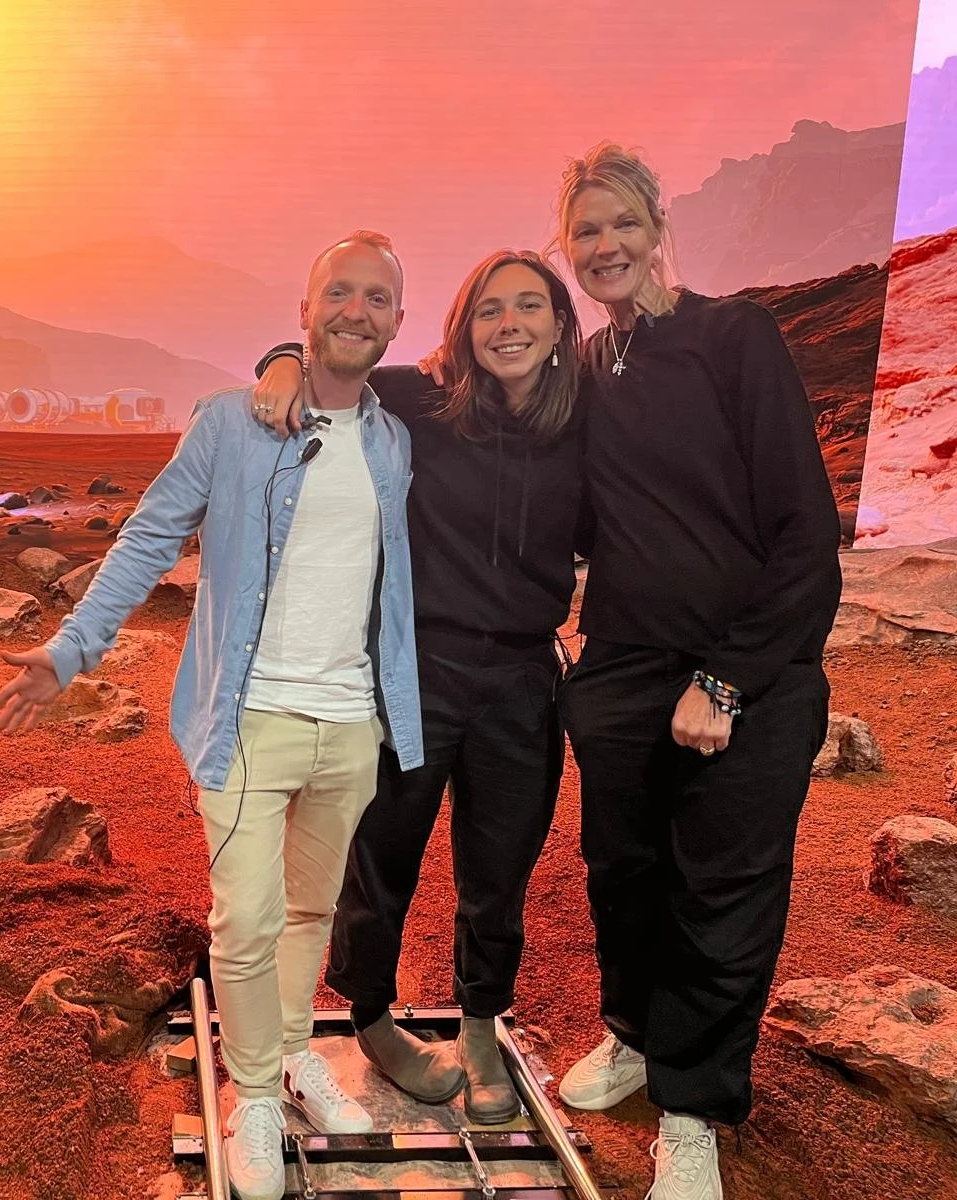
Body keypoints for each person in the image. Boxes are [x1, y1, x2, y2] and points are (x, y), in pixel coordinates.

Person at [0, 232, 423, 1200]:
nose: (357, 311)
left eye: (378, 299)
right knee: (247, 915)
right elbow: (149, 534)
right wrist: (71, 650)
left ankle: (296, 1053)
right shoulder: (233, 422)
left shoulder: (394, 442)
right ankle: (257, 1094)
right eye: (338, 294)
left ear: (398, 319)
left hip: (351, 723)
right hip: (248, 717)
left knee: (311, 909)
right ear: (304, 310)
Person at [547, 143, 840, 1200]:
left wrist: (724, 681)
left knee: (723, 891)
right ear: (567, 249)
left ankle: (691, 1105)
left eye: (621, 222)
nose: (604, 245)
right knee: (623, 875)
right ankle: (634, 1034)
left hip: (742, 675)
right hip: (624, 666)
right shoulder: (584, 366)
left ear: (657, 226)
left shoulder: (733, 337)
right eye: (585, 231)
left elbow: (805, 534)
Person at [248, 249, 586, 1123]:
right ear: (464, 328)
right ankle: (372, 1020)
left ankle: (480, 1030)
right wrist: (281, 361)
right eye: (489, 310)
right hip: (417, 666)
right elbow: (331, 360)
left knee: (500, 866)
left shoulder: (580, 424)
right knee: (382, 851)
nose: (509, 325)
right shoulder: (420, 403)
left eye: (529, 308)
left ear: (559, 328)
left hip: (521, 676)